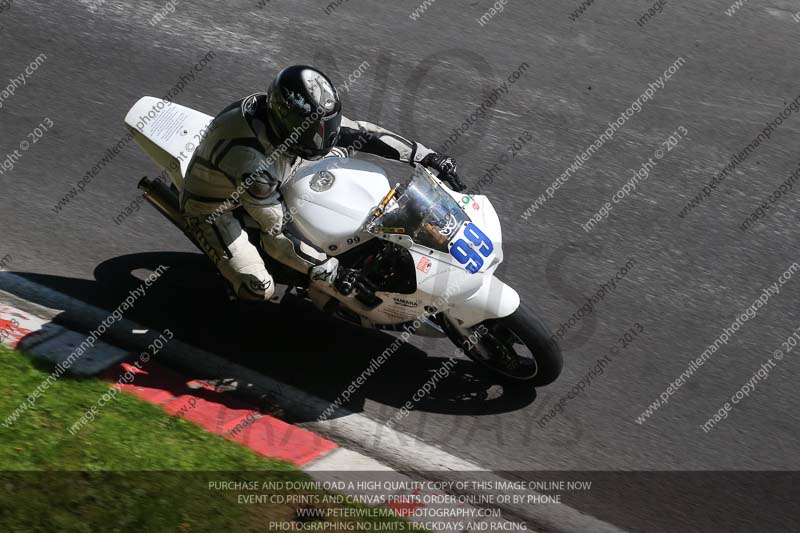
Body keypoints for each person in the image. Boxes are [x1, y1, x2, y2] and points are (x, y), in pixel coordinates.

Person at [181, 64, 466, 301]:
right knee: (258, 289)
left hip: (287, 162)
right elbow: (277, 234)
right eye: (316, 130)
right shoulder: (254, 165)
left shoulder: (299, 124)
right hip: (219, 206)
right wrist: (331, 270)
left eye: (327, 125)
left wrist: (428, 157)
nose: (326, 136)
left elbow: (365, 134)